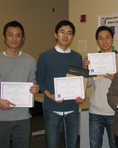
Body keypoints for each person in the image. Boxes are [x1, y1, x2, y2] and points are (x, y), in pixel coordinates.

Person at [36, 20, 83, 148]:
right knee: (51, 144)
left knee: (71, 144)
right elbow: (39, 80)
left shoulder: (77, 57)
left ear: (72, 36)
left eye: (69, 33)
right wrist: (49, 95)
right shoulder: (45, 56)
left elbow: (79, 80)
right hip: (52, 108)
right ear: (56, 35)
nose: (65, 36)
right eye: (62, 32)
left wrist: (80, 95)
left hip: (72, 109)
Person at [83, 26, 118, 148]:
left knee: (115, 144)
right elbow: (86, 84)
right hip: (95, 111)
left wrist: (116, 79)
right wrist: (85, 69)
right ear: (97, 41)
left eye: (107, 37)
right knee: (94, 145)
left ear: (112, 39)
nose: (104, 41)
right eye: (101, 38)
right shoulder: (92, 59)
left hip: (114, 112)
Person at [0, 21, 39, 148]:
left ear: (22, 38)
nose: (14, 38)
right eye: (10, 35)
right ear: (4, 37)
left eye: (18, 35)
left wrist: (35, 89)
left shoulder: (29, 60)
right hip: (0, 117)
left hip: (23, 117)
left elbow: (32, 84)